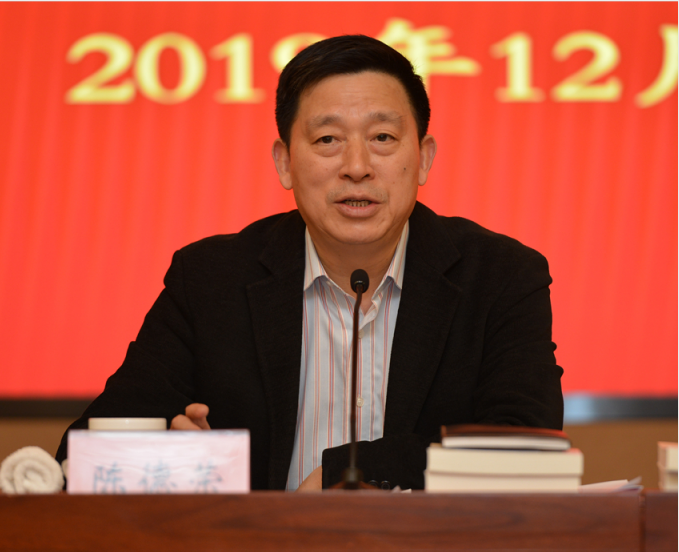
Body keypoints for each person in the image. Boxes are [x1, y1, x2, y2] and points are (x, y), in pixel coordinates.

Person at [56, 35, 563, 491]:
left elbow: (529, 449)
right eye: (327, 140)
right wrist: (165, 461)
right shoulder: (211, 280)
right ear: (284, 162)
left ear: (424, 157)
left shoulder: (500, 276)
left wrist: (353, 469)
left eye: (383, 138)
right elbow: (81, 455)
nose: (357, 167)